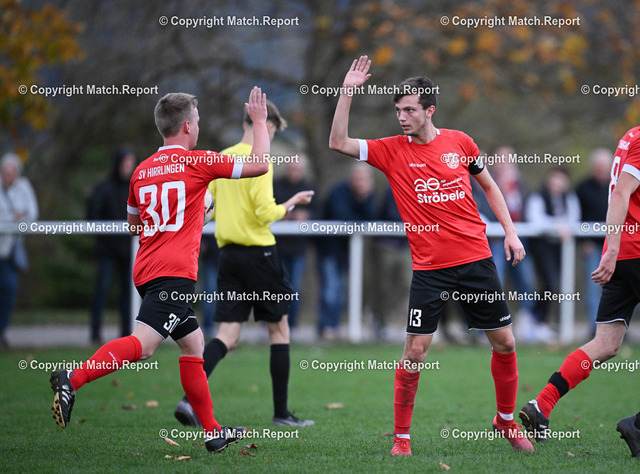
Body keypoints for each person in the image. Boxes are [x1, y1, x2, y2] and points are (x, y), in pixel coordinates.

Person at [329, 56, 533, 456]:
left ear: (430, 110)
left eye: (409, 110)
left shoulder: (461, 143)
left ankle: (505, 421)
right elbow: (338, 142)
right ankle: (401, 438)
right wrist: (347, 91)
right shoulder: (391, 151)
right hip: (430, 271)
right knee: (415, 352)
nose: (402, 117)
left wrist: (510, 232)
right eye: (398, 110)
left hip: (476, 260)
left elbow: (490, 187)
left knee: (506, 343)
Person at [49, 87, 271, 453]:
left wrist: (186, 216)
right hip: (174, 273)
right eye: (197, 120)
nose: (198, 126)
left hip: (146, 271)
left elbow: (133, 226)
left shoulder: (141, 171)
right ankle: (73, 377)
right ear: (187, 127)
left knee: (194, 344)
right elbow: (260, 164)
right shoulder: (198, 162)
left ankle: (212, 432)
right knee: (144, 345)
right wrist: (259, 122)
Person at [173, 99, 315, 428]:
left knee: (227, 335)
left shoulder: (222, 158)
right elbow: (265, 213)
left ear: (243, 124)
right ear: (268, 127)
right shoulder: (260, 159)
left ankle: (189, 400)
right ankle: (281, 414)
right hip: (260, 256)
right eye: (273, 132)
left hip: (228, 256)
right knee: (279, 330)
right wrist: (291, 204)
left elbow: (208, 208)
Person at [519, 127, 640, 459]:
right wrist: (611, 249)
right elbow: (621, 194)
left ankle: (541, 404)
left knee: (606, 344)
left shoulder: (630, 136)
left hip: (625, 253)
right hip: (633, 250)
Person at [315, 165, 377, 340]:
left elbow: (372, 219)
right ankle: (326, 327)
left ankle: (333, 326)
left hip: (346, 251)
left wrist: (365, 198)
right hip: (329, 248)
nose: (360, 182)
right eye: (358, 178)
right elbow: (342, 218)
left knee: (340, 290)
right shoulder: (338, 192)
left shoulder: (367, 195)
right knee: (330, 289)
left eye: (364, 179)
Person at [524, 166, 581, 342]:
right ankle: (534, 320)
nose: (557, 183)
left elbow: (574, 219)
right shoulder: (537, 197)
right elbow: (535, 220)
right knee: (547, 282)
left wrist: (562, 226)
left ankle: (543, 322)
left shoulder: (569, 198)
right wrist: (557, 225)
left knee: (557, 285)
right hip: (540, 248)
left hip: (562, 249)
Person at [87, 147, 137, 344]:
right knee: (102, 290)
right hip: (107, 251)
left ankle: (127, 332)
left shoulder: (136, 189)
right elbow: (92, 216)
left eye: (130, 163)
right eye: (125, 163)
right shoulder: (104, 189)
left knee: (129, 293)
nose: (127, 167)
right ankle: (95, 332)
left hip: (129, 251)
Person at [273, 154, 317, 329]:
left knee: (294, 288)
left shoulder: (309, 188)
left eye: (297, 169)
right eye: (292, 168)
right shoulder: (275, 186)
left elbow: (318, 212)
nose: (294, 172)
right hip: (276, 247)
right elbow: (268, 210)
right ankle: (274, 324)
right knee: (276, 287)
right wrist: (282, 215)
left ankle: (291, 326)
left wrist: (307, 216)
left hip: (298, 249)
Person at [0, 152, 38, 349]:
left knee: (9, 289)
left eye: (12, 173)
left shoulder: (23, 187)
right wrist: (11, 218)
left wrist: (17, 219)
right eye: (5, 172)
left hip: (11, 250)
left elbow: (32, 214)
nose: (8, 176)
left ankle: (2, 331)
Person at [576, 148, 613, 333]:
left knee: (616, 288)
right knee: (594, 286)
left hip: (614, 245)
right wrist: (585, 240)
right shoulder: (582, 188)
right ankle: (595, 326)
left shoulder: (617, 186)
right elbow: (577, 216)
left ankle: (616, 326)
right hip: (592, 246)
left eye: (603, 166)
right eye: (598, 166)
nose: (600, 170)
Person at [371, 186, 411, 340]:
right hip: (388, 244)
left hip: (407, 245)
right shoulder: (392, 189)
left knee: (408, 285)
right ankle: (383, 323)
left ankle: (405, 324)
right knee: (385, 286)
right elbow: (392, 214)